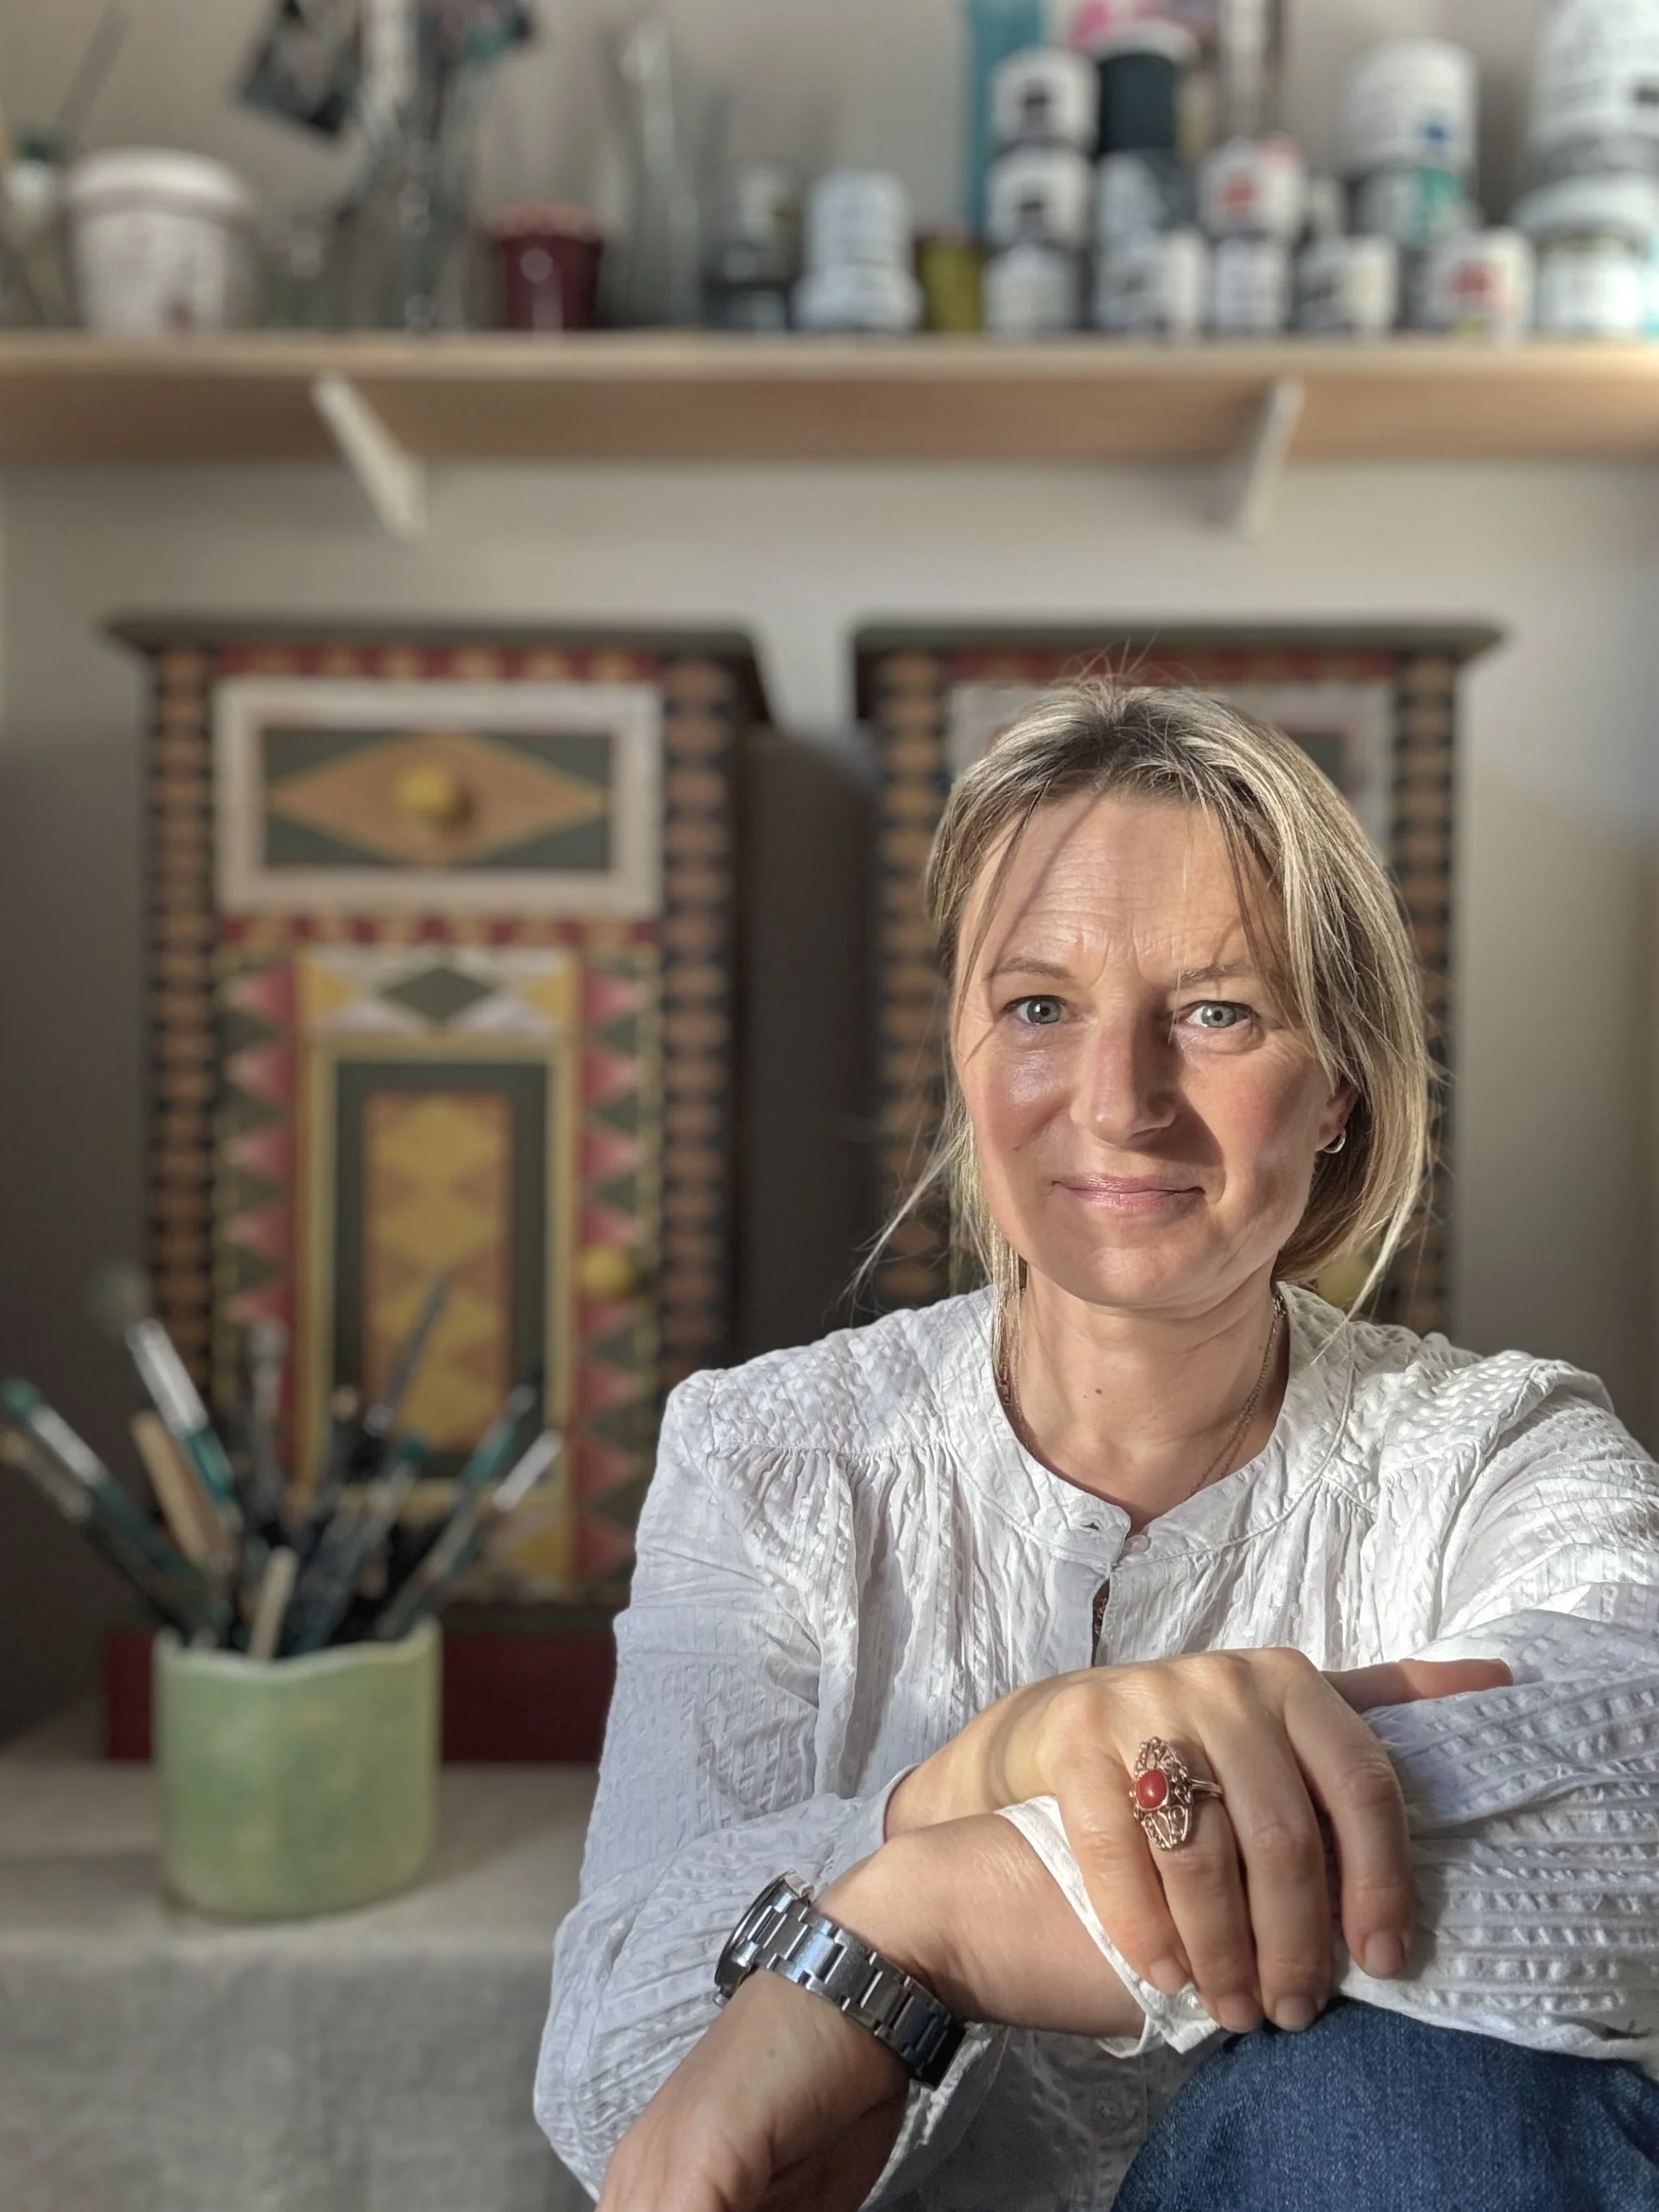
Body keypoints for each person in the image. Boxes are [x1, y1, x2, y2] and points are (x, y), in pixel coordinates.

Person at [537, 685, 1659, 2211]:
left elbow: (1637, 1784)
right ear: (963, 1049)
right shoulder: (769, 1452)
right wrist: (949, 1787)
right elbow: (619, 2077)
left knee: (1414, 2090)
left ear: (1337, 1084)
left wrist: (935, 1915)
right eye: (1039, 1007)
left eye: (1216, 1011)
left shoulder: (1493, 1454)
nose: (1119, 1103)